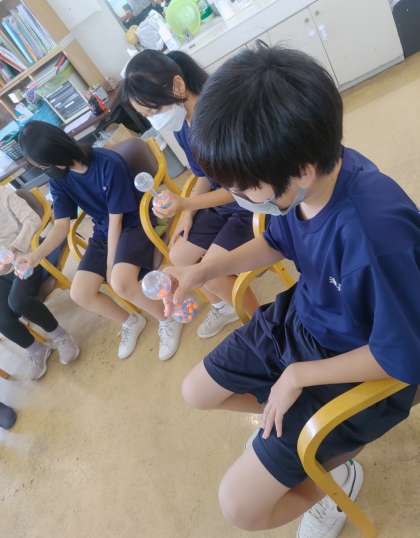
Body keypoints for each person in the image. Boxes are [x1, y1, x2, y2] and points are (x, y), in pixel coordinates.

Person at [164, 45, 420, 538]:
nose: (239, 200)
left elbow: (401, 356)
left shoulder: (375, 233)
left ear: (301, 170)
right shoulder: (309, 185)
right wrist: (201, 270)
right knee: (196, 391)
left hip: (358, 363)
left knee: (241, 509)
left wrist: (300, 375)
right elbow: (274, 243)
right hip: (304, 321)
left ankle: (333, 471)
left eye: (245, 189)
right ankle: (300, 446)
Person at [123, 50, 259, 340]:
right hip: (222, 203)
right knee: (179, 255)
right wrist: (187, 213)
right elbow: (203, 176)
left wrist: (187, 203)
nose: (154, 121)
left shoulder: (216, 122)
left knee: (211, 271)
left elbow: (239, 190)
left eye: (154, 112)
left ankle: (259, 323)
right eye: (147, 117)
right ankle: (223, 306)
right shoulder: (183, 123)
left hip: (250, 204)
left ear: (177, 85)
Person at [19, 121, 182, 361]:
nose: (45, 169)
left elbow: (118, 219)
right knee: (80, 293)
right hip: (103, 230)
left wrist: (110, 263)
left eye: (44, 164)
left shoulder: (107, 163)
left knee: (120, 282)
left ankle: (167, 318)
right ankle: (131, 321)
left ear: (55, 155)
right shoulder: (58, 178)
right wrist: (35, 256)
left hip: (134, 223)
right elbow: (61, 226)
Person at [0, 182, 79, 379]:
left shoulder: (4, 194)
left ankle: (60, 336)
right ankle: (36, 350)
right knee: (2, 317)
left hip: (28, 255)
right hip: (3, 272)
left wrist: (14, 249)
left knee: (18, 302)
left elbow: (32, 219)